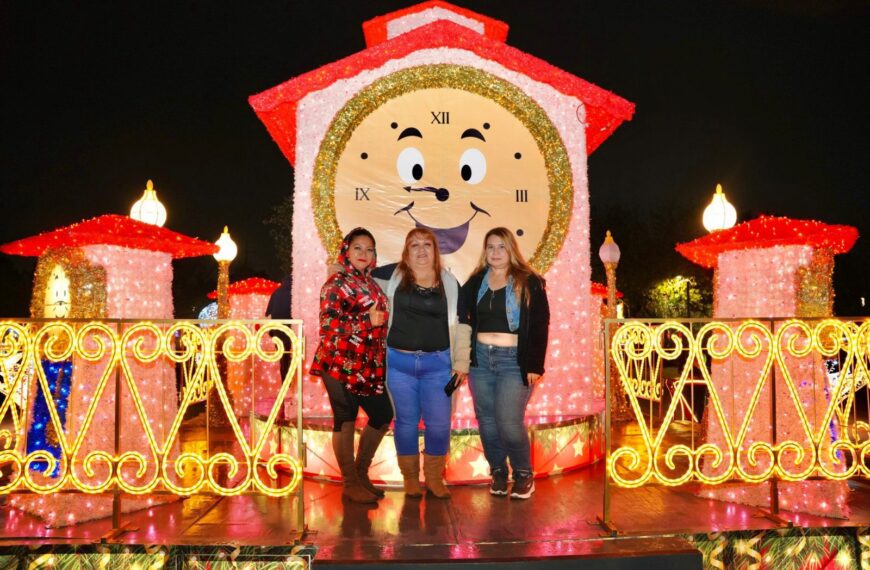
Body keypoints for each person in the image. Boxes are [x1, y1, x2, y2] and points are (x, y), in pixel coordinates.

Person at [372, 228, 471, 499]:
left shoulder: (450, 283)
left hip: (438, 366)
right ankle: (411, 479)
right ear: (406, 251)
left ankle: (435, 478)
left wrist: (462, 362)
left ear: (435, 250)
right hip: (399, 364)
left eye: (427, 244)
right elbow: (355, 279)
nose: (421, 250)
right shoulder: (388, 276)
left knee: (439, 424)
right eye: (414, 245)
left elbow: (462, 325)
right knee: (406, 422)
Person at [461, 227, 550, 499]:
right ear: (484, 251)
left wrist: (534, 364)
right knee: (487, 422)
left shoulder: (529, 280)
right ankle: (498, 471)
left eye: (501, 247)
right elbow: (455, 307)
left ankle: (523, 473)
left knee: (509, 422)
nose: (495, 252)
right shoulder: (477, 281)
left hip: (514, 362)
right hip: (480, 361)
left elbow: (539, 324)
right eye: (490, 247)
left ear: (511, 249)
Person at [310, 228, 393, 503]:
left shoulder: (369, 283)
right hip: (338, 362)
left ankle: (360, 474)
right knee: (344, 417)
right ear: (347, 250)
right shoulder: (336, 283)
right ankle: (350, 483)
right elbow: (328, 325)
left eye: (369, 250)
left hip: (366, 365)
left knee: (382, 414)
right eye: (358, 248)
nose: (364, 254)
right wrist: (365, 322)